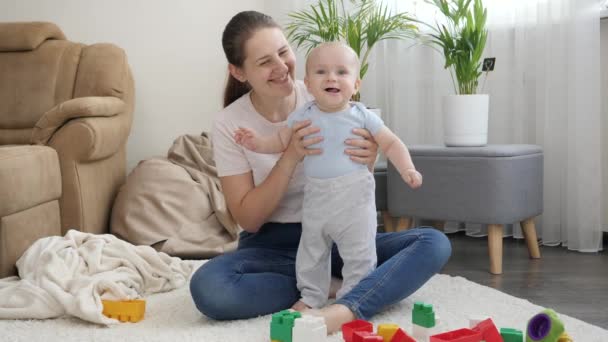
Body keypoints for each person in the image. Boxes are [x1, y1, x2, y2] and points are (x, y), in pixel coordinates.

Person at [189, 10, 452, 334]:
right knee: (210, 289)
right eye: (264, 62)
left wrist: (369, 158)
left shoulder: (327, 88)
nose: (282, 67)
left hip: (343, 235)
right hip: (273, 245)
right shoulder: (230, 124)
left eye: (284, 52)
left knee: (433, 243)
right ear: (239, 72)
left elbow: (355, 178)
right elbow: (249, 219)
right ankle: (330, 285)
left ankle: (343, 307)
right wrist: (290, 157)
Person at [232, 41, 423, 311]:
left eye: (341, 72)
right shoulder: (303, 116)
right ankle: (311, 296)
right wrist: (257, 144)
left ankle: (352, 297)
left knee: (360, 253)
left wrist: (407, 169)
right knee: (311, 252)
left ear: (356, 85)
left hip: (354, 199)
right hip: (317, 199)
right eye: (321, 72)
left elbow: (391, 143)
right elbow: (279, 141)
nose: (332, 77)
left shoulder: (363, 116)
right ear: (308, 84)